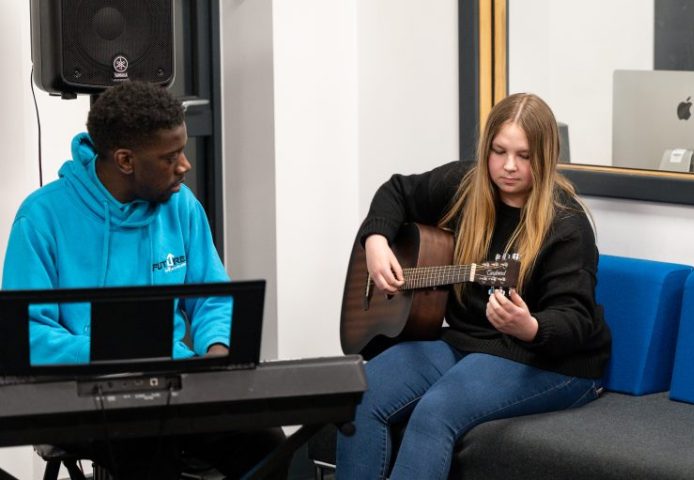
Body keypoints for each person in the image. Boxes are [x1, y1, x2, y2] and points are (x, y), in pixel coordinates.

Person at [2, 81, 286, 479]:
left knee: (266, 441)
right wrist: (111, 353)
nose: (185, 166)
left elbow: (213, 298)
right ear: (125, 160)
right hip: (81, 394)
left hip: (173, 382)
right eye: (170, 157)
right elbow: (26, 335)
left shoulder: (181, 205)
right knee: (149, 443)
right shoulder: (41, 217)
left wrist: (218, 350)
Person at [335, 93, 612, 479]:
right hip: (467, 341)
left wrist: (529, 326)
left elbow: (575, 320)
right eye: (499, 151)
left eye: (524, 156)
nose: (509, 166)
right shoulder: (465, 185)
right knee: (360, 395)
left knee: (435, 413)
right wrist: (376, 241)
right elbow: (397, 191)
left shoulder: (566, 224)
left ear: (546, 157)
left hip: (553, 361)